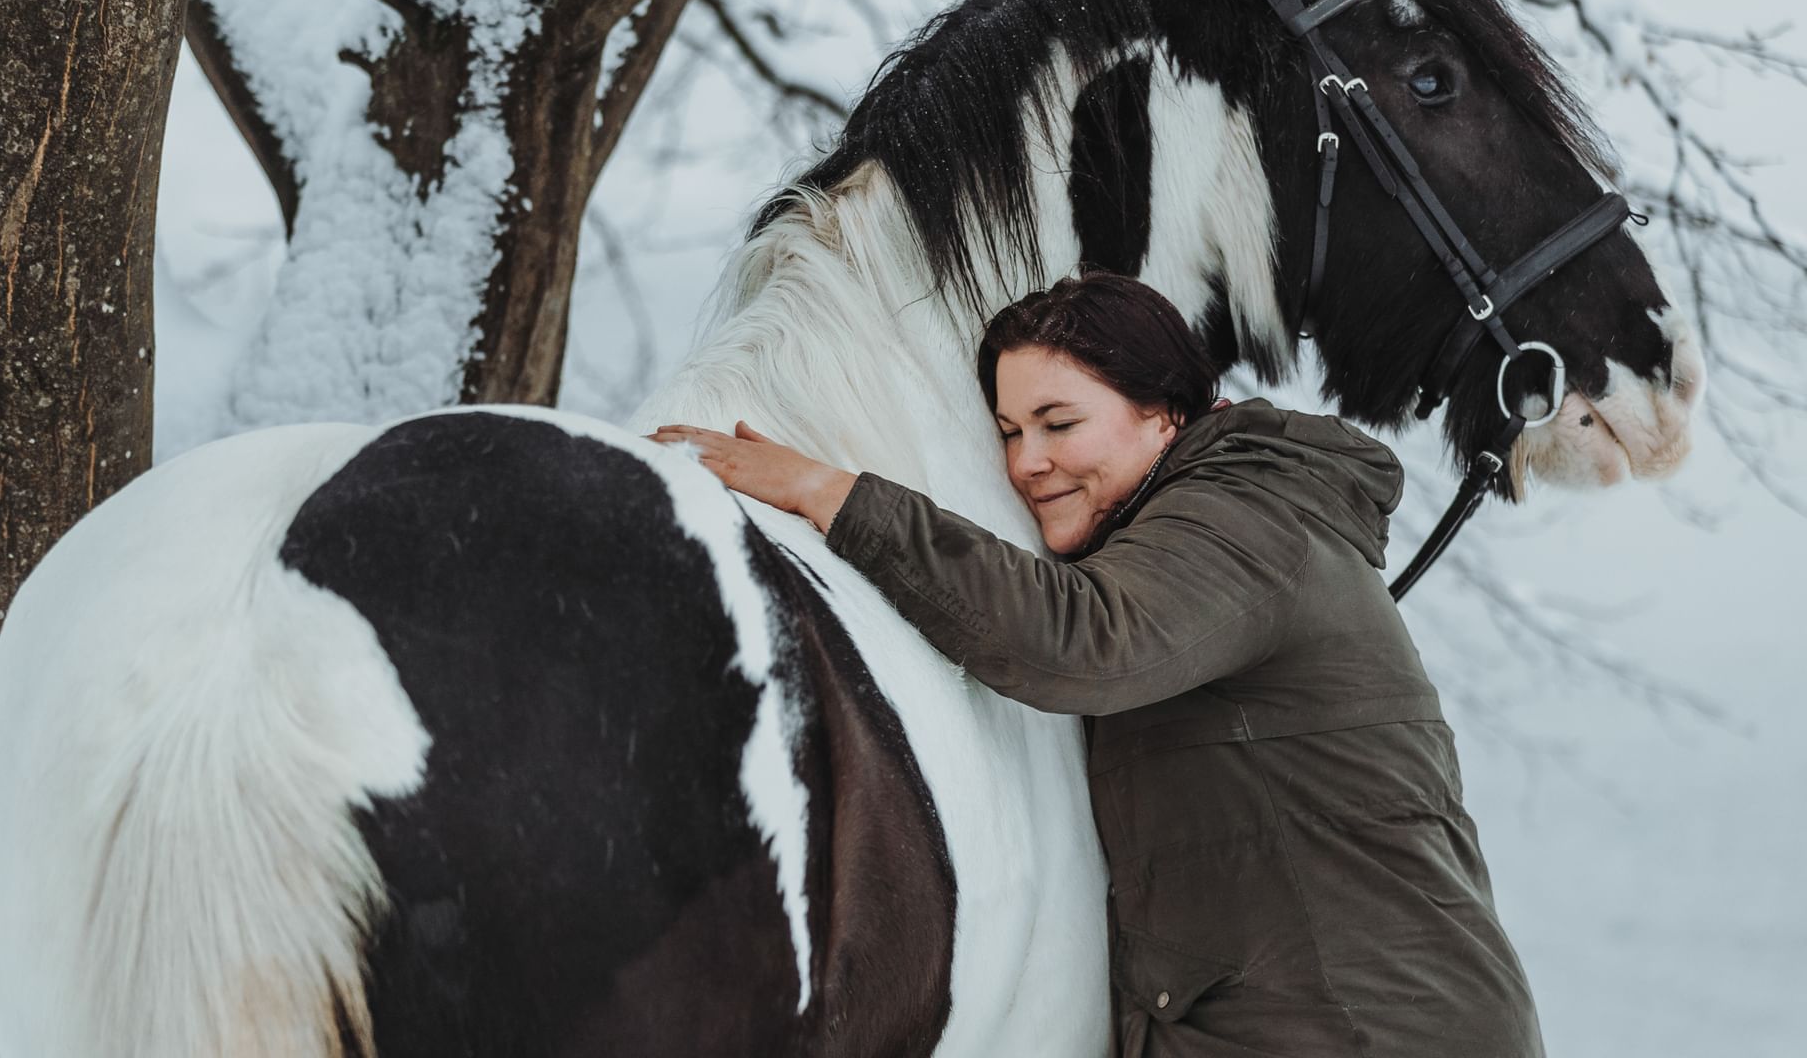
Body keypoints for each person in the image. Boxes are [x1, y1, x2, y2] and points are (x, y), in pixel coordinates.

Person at [649, 272, 1544, 1057]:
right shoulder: (1203, 526)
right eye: (1007, 431)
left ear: (1164, 413)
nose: (1027, 462)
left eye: (1058, 422)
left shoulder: (1248, 519)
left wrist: (829, 493)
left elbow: (1081, 641)